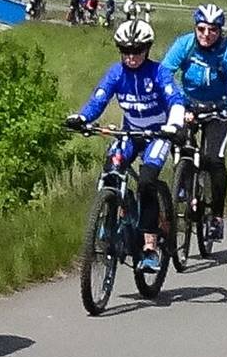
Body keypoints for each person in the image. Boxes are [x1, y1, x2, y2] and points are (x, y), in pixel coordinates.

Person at [63, 20, 187, 272]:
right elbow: (99, 97)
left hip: (158, 133)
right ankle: (115, 213)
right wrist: (83, 118)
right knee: (111, 169)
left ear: (147, 49)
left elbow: (175, 99)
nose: (131, 57)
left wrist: (174, 124)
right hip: (129, 131)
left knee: (146, 181)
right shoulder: (116, 73)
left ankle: (150, 246)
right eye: (125, 51)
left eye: (137, 51)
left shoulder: (159, 72)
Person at [160, 3, 227, 242]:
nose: (206, 34)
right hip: (188, 103)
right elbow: (164, 72)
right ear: (195, 27)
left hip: (218, 107)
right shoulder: (185, 44)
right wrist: (175, 99)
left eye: (212, 29)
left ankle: (217, 217)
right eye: (201, 28)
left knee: (213, 160)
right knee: (176, 139)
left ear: (220, 30)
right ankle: (182, 181)